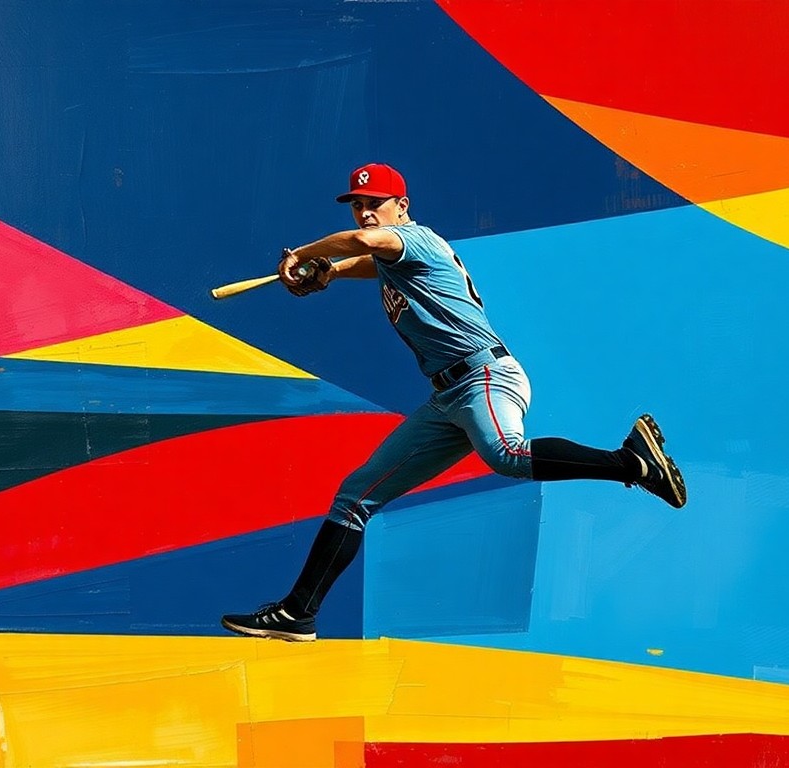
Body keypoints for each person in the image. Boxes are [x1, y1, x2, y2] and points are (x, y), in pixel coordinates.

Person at [221, 163, 686, 642]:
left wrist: (302, 255)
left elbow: (366, 245)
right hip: (448, 397)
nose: (364, 212)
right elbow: (366, 259)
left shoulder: (416, 238)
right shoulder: (394, 256)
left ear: (402, 207)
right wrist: (331, 272)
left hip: (483, 374)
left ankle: (630, 462)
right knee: (357, 495)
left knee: (506, 454)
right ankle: (297, 613)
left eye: (374, 203)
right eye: (358, 204)